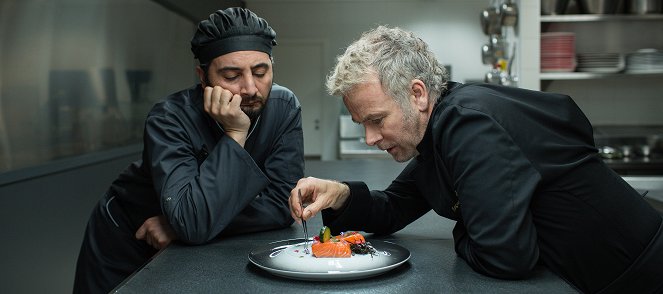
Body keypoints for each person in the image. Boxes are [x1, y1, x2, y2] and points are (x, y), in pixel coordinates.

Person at [290, 26, 663, 294]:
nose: (370, 138)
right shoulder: (439, 135)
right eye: (362, 125)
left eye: (376, 120)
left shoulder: (469, 125)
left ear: (417, 94)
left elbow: (504, 257)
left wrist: (468, 228)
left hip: (639, 274)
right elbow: (393, 208)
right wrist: (339, 193)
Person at [74, 8, 304, 293]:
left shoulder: (284, 107)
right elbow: (193, 222)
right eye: (231, 75)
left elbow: (284, 204)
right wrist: (235, 134)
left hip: (183, 241)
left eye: (260, 72)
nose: (250, 88)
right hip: (126, 240)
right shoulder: (168, 118)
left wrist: (177, 226)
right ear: (202, 76)